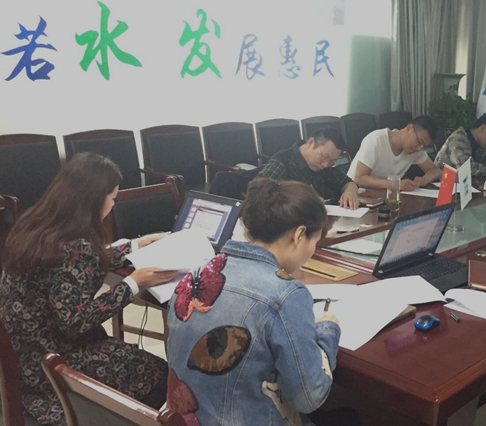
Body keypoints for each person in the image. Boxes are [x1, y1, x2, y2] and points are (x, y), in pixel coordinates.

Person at [0, 153, 177, 426]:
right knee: (160, 372)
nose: (113, 204)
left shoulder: (35, 225)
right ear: (95, 200)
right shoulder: (74, 247)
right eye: (112, 198)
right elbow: (75, 322)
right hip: (53, 365)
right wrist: (134, 283)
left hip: (25, 354)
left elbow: (76, 267)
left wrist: (134, 246)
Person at [166, 178, 343, 426]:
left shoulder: (196, 274)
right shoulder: (285, 294)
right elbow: (309, 397)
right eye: (315, 241)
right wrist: (328, 331)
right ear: (299, 234)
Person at [258, 127, 359, 209]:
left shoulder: (325, 167)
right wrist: (304, 199)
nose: (325, 164)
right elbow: (258, 193)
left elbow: (348, 182)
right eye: (324, 157)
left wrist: (350, 191)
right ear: (310, 142)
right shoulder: (283, 161)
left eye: (332, 161)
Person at [348, 115, 442, 191]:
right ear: (409, 128)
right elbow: (359, 178)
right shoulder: (376, 140)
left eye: (423, 146)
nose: (418, 148)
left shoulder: (416, 150)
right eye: (419, 142)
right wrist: (395, 184)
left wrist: (425, 179)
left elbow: (436, 170)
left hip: (385, 196)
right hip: (356, 195)